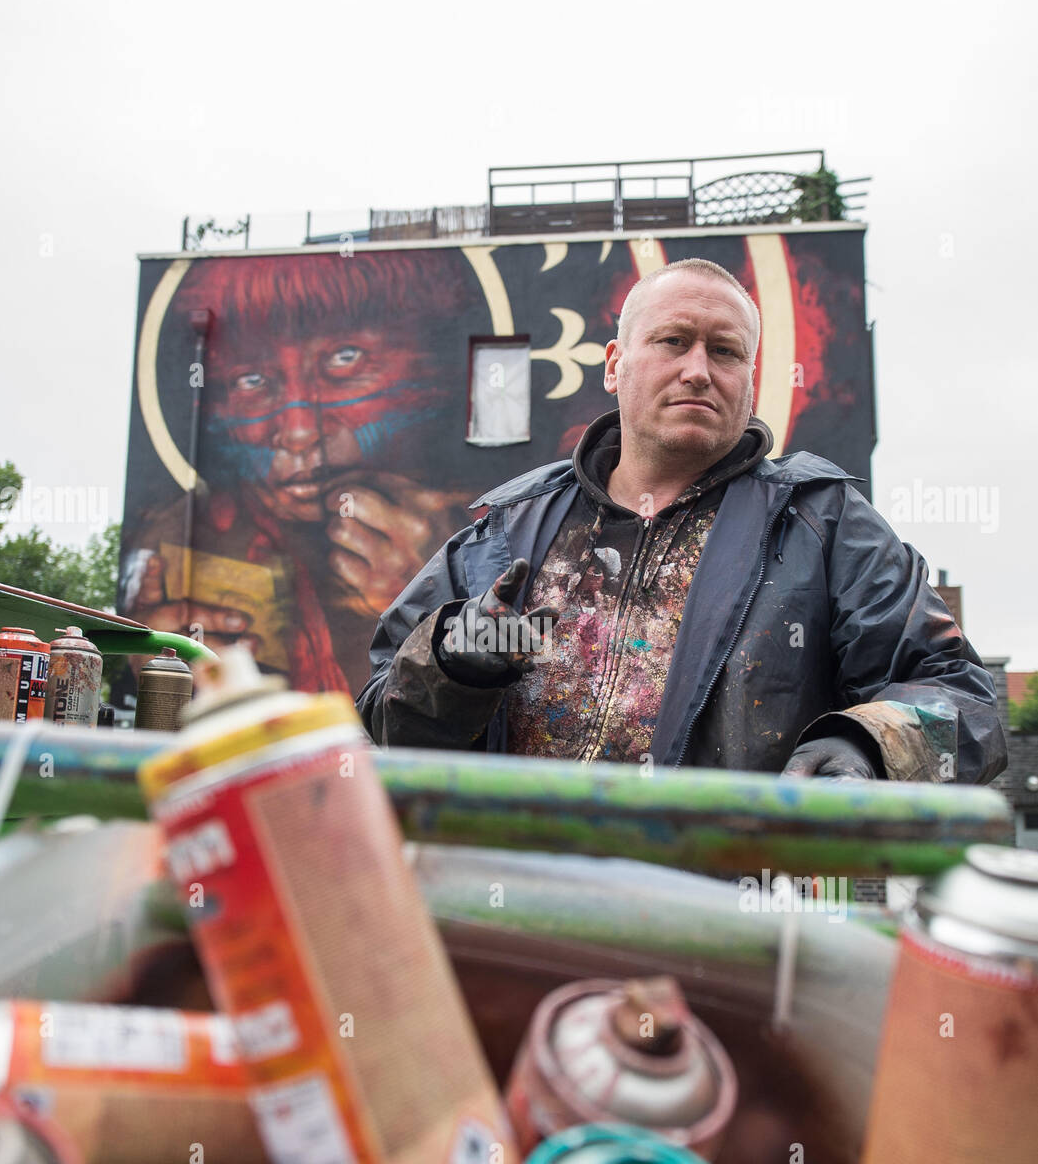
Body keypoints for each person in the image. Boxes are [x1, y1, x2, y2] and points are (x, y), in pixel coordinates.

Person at [357, 258, 1006, 784]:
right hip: (514, 917)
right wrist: (451, 666)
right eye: (671, 341)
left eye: (724, 352)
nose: (696, 370)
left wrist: (865, 744)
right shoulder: (504, 531)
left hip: (727, 924)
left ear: (748, 381)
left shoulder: (824, 525)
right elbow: (376, 727)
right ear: (614, 364)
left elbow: (965, 705)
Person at [120, 253, 471, 696]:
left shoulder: (500, 528)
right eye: (251, 381)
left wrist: (432, 599)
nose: (300, 431)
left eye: (346, 358)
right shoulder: (179, 537)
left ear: (429, 366)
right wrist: (158, 661)